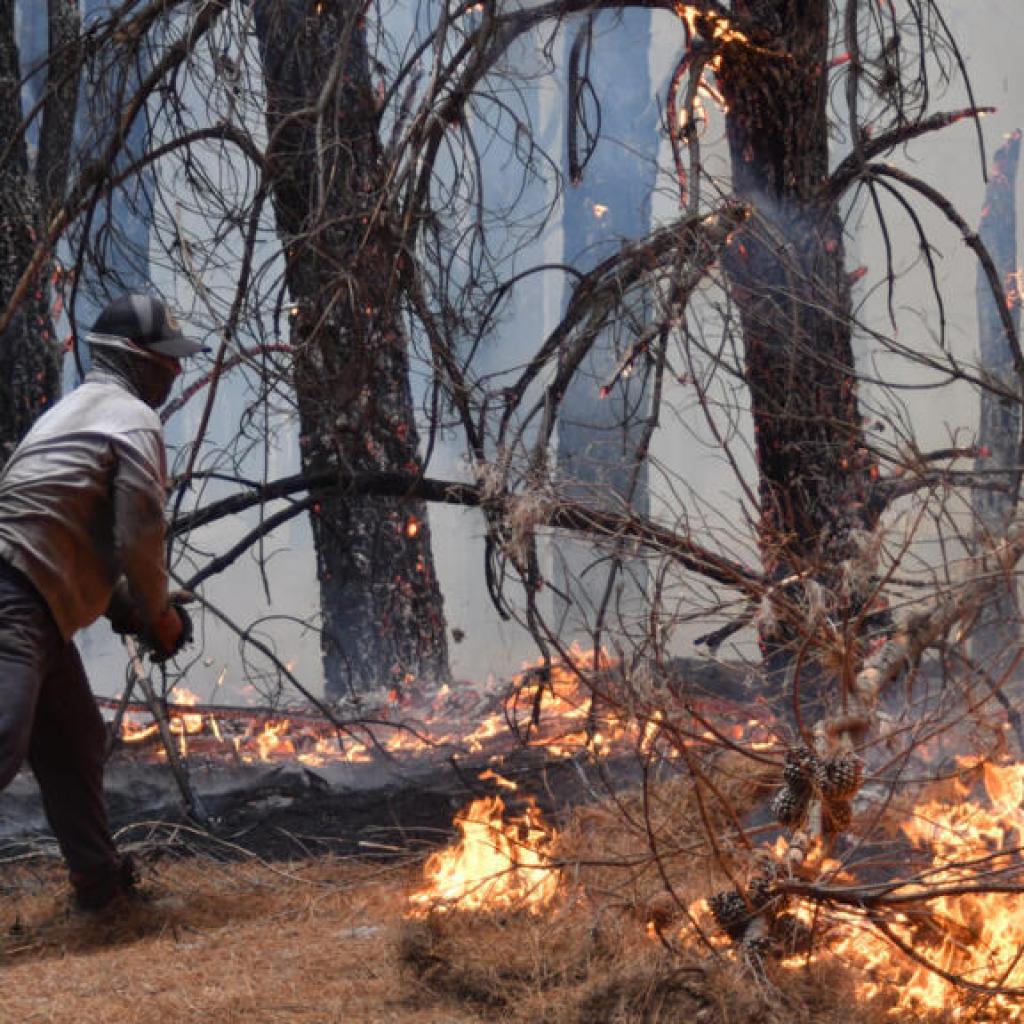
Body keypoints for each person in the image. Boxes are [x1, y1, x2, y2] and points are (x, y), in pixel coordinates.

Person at [0, 293, 204, 911]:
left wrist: (127, 607)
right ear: (135, 358)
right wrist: (159, 613)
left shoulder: (71, 414)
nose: (176, 371)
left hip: (32, 601)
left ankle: (100, 888)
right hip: (15, 601)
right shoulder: (131, 419)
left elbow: (67, 536)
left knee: (74, 739)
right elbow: (138, 535)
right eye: (167, 359)